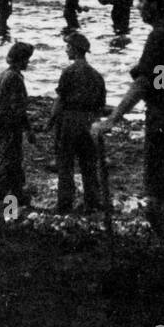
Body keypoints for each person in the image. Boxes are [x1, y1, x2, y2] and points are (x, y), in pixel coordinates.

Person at [92, 0, 164, 272]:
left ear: (156, 5)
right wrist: (148, 70)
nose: (138, 6)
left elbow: (145, 85)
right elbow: (161, 78)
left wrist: (112, 119)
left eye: (142, 0)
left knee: (153, 204)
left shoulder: (160, 35)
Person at [48, 31, 107, 214]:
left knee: (65, 164)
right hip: (89, 122)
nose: (66, 50)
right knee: (89, 164)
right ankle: (92, 202)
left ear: (74, 49)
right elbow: (101, 105)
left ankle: (64, 204)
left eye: (68, 47)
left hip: (70, 121)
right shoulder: (97, 75)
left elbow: (60, 100)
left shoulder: (69, 72)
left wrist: (50, 122)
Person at [0, 41, 35, 216]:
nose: (27, 63)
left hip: (2, 121)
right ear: (20, 60)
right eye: (26, 59)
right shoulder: (14, 77)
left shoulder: (4, 75)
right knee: (9, 163)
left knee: (12, 162)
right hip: (10, 123)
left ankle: (12, 205)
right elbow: (18, 108)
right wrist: (28, 129)